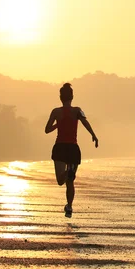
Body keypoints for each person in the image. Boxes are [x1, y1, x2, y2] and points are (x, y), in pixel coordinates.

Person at [45, 83, 98, 218]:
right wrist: (93, 135)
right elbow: (85, 122)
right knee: (70, 182)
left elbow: (47, 129)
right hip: (73, 148)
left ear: (60, 97)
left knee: (60, 180)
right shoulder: (77, 110)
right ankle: (69, 207)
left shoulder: (56, 112)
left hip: (60, 147)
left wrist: (58, 123)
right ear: (72, 97)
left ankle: (67, 174)